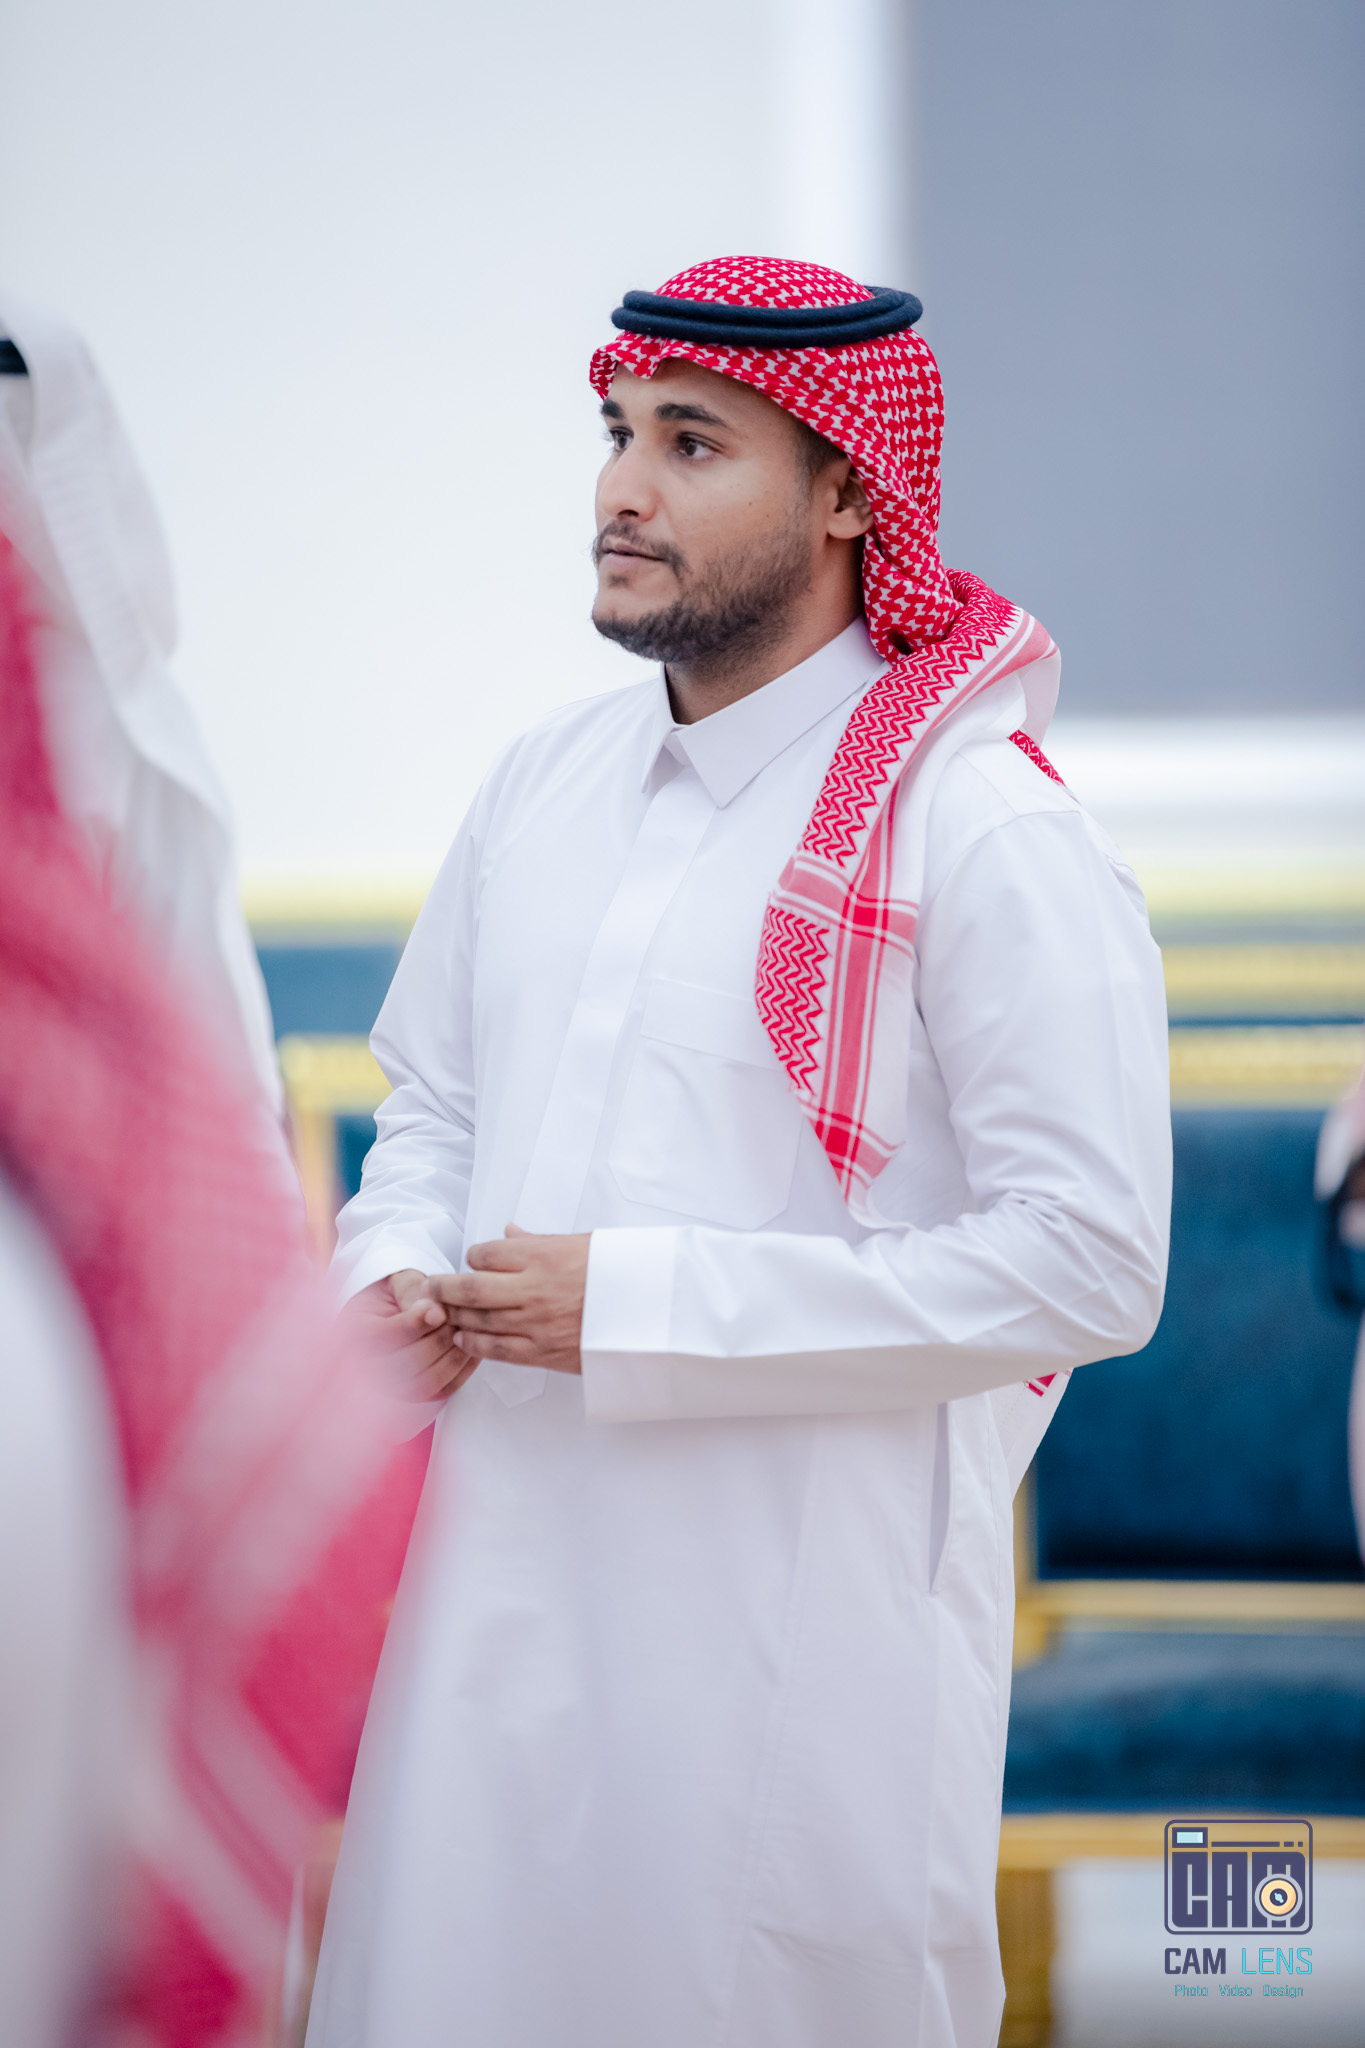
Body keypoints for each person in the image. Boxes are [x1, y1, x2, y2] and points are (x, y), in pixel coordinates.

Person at [307, 257, 1171, 2048]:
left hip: (789, 1637)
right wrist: (390, 1271)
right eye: (618, 432)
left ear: (850, 491)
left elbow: (1092, 1262)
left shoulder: (980, 829)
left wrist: (637, 1307)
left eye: (690, 445)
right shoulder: (539, 783)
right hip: (490, 1600)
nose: (621, 488)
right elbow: (433, 1111)